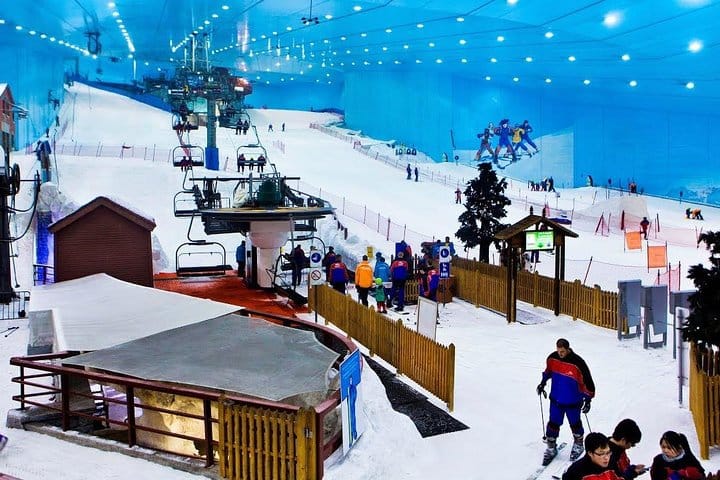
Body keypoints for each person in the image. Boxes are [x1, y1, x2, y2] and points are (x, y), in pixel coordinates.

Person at [537, 338, 596, 465]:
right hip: (556, 399)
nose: (560, 354)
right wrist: (542, 383)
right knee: (553, 423)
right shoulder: (553, 358)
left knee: (575, 423)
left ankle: (578, 443)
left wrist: (588, 400)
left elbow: (588, 381)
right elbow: (548, 371)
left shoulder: (578, 363)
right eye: (558, 351)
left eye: (562, 351)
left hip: (573, 401)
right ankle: (551, 446)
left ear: (568, 349)